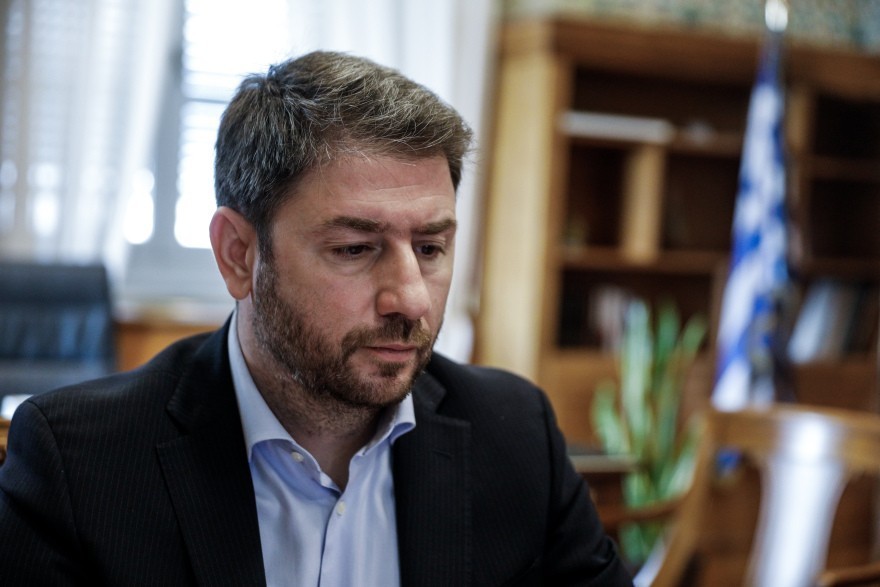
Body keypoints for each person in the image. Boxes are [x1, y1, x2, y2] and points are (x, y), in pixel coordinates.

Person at [0, 51, 632, 586]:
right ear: (239, 255)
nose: (411, 300)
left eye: (430, 248)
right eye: (355, 249)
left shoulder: (516, 436)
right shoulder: (78, 465)